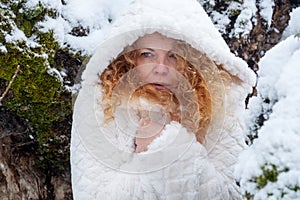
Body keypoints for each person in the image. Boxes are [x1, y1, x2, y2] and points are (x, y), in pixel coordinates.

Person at [71, 0, 256, 199]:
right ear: (128, 57)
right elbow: (93, 194)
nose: (160, 67)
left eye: (173, 56)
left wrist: (174, 147)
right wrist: (152, 153)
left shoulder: (219, 103)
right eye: (147, 54)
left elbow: (233, 194)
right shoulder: (103, 102)